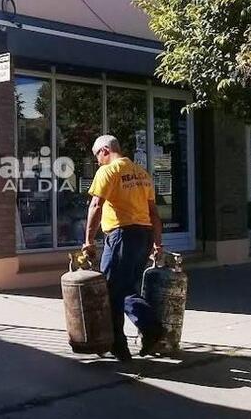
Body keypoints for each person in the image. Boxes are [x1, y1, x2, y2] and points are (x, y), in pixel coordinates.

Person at [83, 134, 164, 362]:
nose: (97, 161)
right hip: (144, 236)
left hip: (122, 236)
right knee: (126, 287)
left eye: (97, 156)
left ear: (105, 150)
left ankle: (141, 332)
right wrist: (158, 244)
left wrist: (89, 241)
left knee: (113, 291)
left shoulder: (108, 171)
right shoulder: (142, 174)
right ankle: (130, 340)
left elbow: (96, 205)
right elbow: (154, 214)